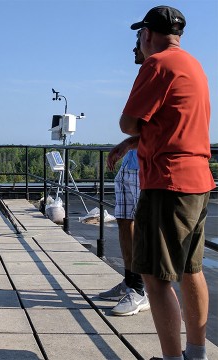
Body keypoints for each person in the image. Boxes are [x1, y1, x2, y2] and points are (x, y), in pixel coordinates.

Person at [120, 6, 214, 360]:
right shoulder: (193, 65)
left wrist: (132, 135)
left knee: (156, 279)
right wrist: (135, 141)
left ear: (147, 34)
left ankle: (172, 359)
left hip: (167, 182)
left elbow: (129, 121)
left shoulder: (157, 64)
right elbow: (175, 123)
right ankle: (196, 353)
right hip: (198, 180)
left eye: (139, 36)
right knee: (192, 271)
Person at [99, 32, 149, 317]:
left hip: (146, 166)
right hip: (130, 164)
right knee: (124, 223)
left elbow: (147, 124)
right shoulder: (144, 75)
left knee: (141, 228)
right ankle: (130, 281)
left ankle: (140, 290)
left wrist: (130, 138)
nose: (134, 49)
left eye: (137, 44)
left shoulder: (158, 74)